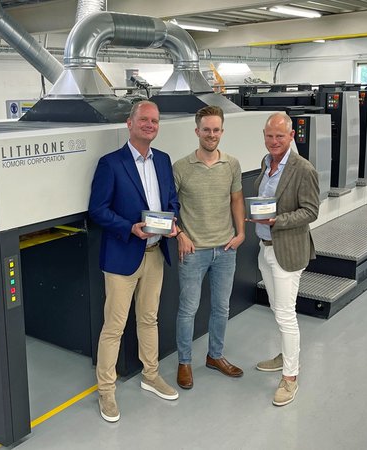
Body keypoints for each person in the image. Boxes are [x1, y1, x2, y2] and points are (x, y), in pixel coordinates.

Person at [88, 100, 180, 423]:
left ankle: (150, 375)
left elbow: (172, 201)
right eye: (144, 119)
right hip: (121, 257)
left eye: (155, 120)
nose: (150, 125)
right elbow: (97, 210)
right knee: (114, 327)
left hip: (155, 254)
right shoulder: (111, 164)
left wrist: (173, 223)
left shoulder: (163, 160)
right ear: (130, 123)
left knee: (149, 319)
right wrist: (129, 227)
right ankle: (106, 390)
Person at [248, 111, 320, 407]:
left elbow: (311, 211)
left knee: (286, 314)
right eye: (269, 136)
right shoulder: (266, 163)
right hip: (265, 247)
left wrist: (278, 220)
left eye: (280, 136)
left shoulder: (303, 169)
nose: (274, 141)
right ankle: (286, 355)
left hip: (287, 250)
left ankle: (290, 377)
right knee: (277, 309)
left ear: (291, 136)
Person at [172, 105, 245, 390]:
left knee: (221, 307)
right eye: (206, 130)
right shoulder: (181, 167)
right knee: (188, 309)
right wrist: (180, 234)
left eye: (216, 130)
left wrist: (241, 233)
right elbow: (169, 206)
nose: (211, 134)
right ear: (197, 131)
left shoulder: (232, 164)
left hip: (225, 249)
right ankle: (184, 362)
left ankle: (215, 356)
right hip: (194, 252)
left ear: (222, 131)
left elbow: (236, 200)